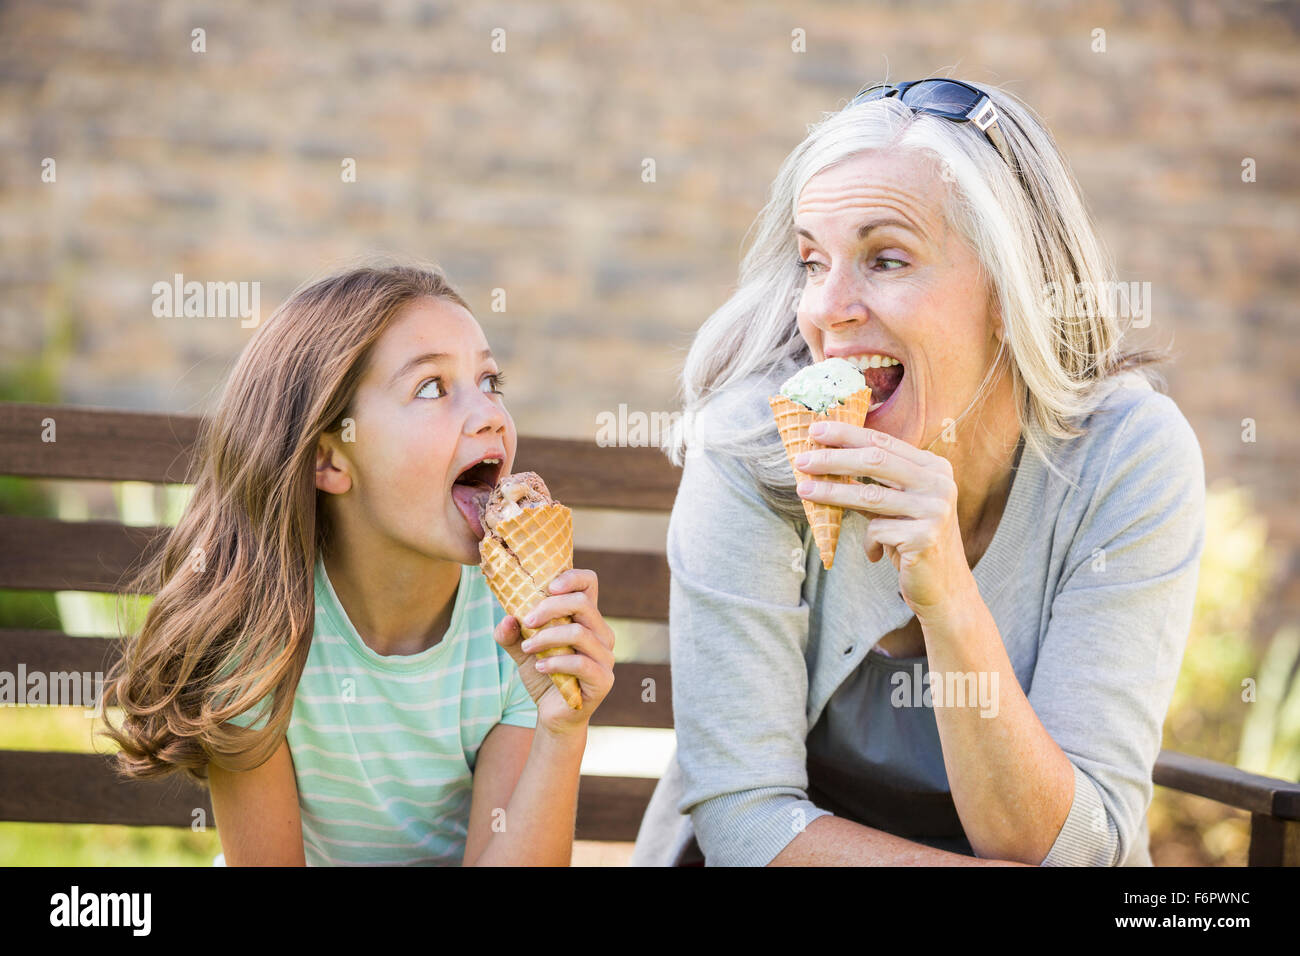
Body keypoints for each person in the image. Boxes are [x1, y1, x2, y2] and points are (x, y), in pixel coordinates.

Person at [631, 79, 1205, 866]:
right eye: (812, 260)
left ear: (1014, 290)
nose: (826, 309)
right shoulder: (755, 446)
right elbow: (745, 820)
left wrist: (949, 596)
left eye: (886, 258)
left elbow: (1072, 851)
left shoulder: (1127, 459)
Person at [99, 260, 615, 865]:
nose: (492, 415)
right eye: (432, 388)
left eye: (490, 382)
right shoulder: (260, 636)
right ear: (330, 460)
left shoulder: (516, 628)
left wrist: (562, 728)